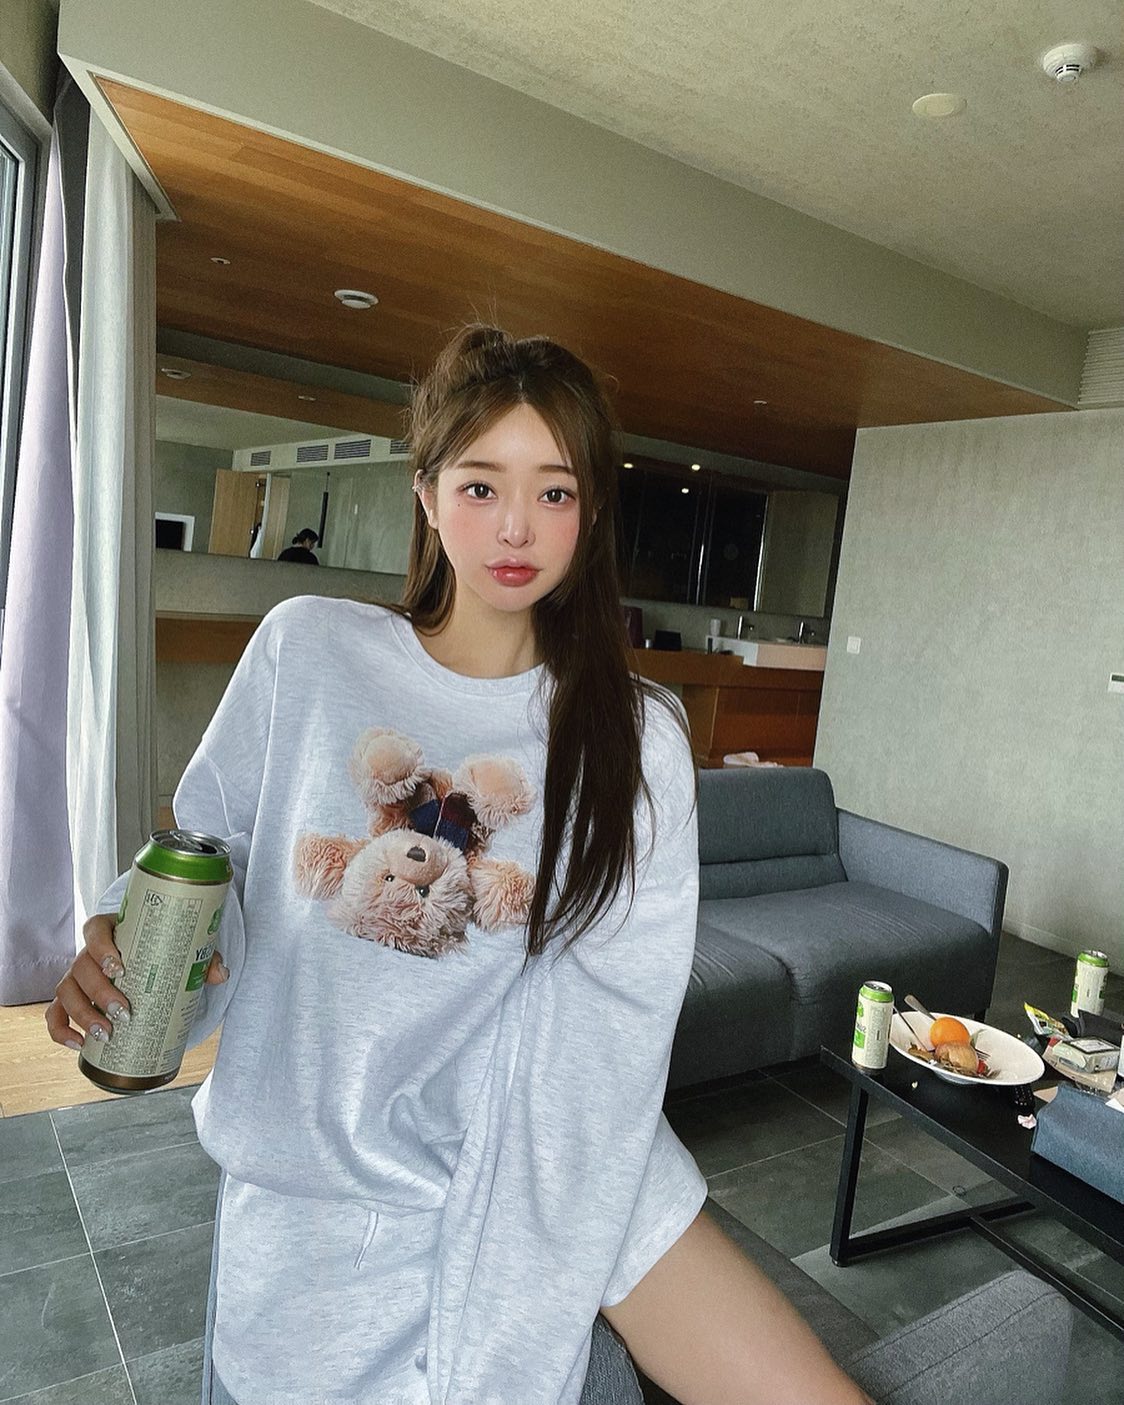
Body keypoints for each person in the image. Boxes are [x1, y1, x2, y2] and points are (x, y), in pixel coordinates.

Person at [46, 325, 872, 1405]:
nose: (516, 527)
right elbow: (220, 860)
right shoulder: (309, 649)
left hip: (517, 1212)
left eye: (554, 492)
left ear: (590, 511)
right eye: (481, 486)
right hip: (296, 1242)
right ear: (427, 493)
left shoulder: (634, 741)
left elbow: (604, 1056)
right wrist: (127, 938)